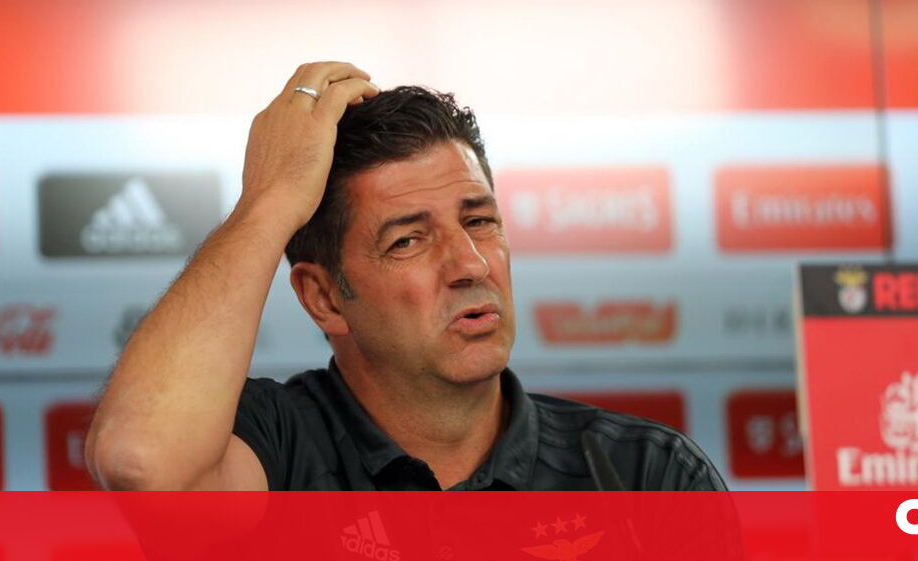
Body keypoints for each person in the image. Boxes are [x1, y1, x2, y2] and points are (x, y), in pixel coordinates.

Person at [86, 61, 726, 491]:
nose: (470, 265)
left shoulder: (646, 477)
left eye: (479, 221)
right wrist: (268, 200)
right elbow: (142, 463)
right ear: (324, 297)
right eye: (408, 240)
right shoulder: (276, 447)